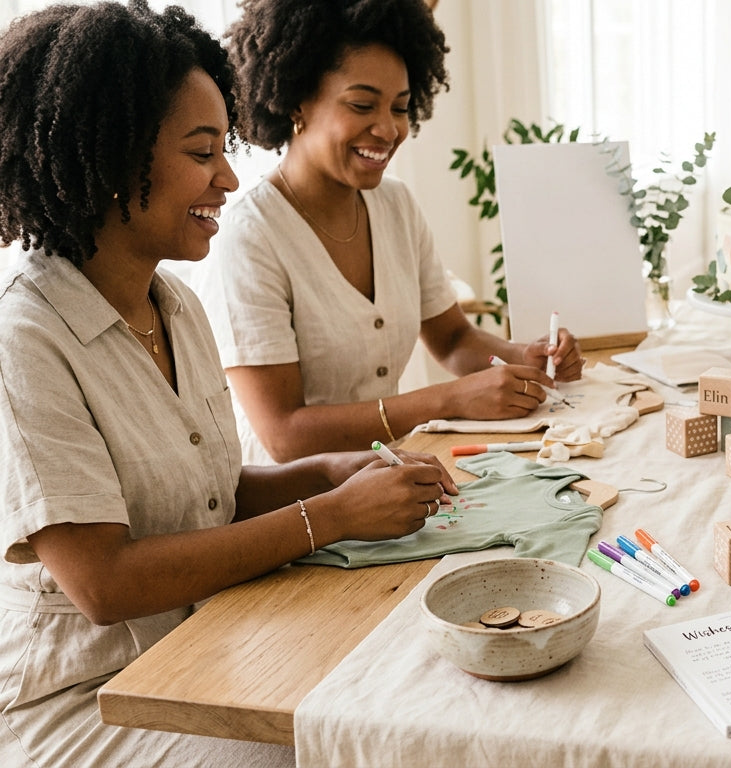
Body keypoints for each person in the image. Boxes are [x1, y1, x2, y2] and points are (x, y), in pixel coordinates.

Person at [0, 4, 458, 764]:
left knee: (403, 685)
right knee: (325, 749)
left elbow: (206, 494)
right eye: (202, 152)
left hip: (201, 644)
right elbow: (105, 582)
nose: (229, 176)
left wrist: (329, 474)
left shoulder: (171, 302)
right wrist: (329, 516)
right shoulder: (26, 341)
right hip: (86, 701)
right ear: (115, 159)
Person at [194, 0, 583, 466]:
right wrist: (448, 400)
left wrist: (523, 357)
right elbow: (284, 434)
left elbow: (454, 340)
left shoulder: (394, 204)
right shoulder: (251, 238)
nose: (388, 129)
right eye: (362, 105)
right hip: (297, 509)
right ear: (297, 99)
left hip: (387, 483)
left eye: (400, 107)